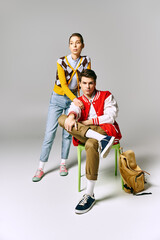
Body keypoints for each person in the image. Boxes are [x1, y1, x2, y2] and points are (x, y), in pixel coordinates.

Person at [58, 69, 122, 214]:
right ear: (79, 84)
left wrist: (90, 121)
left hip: (103, 129)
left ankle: (89, 194)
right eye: (84, 83)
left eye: (91, 83)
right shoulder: (79, 100)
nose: (88, 87)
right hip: (86, 132)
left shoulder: (106, 95)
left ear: (95, 83)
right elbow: (74, 109)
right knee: (62, 118)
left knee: (90, 143)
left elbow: (111, 116)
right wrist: (72, 116)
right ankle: (103, 141)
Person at [32, 33, 91, 182]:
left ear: (82, 45)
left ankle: (63, 164)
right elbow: (63, 85)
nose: (75, 46)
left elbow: (86, 81)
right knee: (49, 134)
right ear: (69, 46)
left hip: (73, 100)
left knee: (67, 132)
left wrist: (84, 100)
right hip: (58, 99)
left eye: (78, 43)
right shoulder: (61, 61)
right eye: (72, 43)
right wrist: (75, 100)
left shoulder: (86, 61)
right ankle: (40, 167)